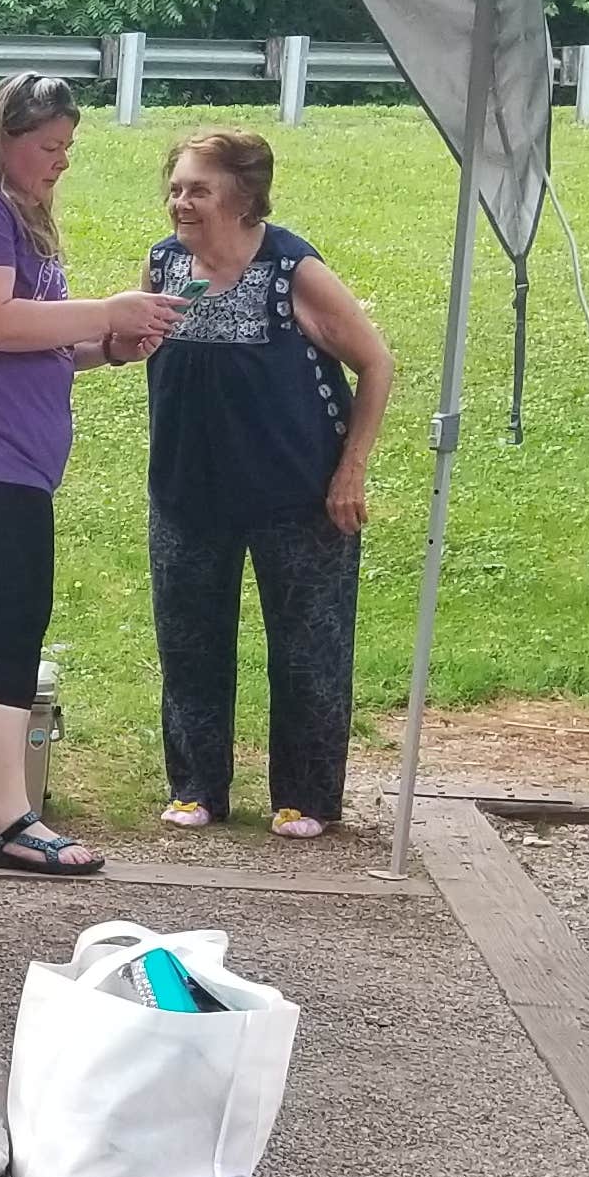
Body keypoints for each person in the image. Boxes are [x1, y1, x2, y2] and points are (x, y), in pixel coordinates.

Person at [0, 73, 187, 876]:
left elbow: (25, 341)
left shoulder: (3, 213)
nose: (59, 162)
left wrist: (107, 348)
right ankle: (7, 820)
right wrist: (107, 311)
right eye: (47, 146)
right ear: (4, 135)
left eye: (67, 149)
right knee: (9, 629)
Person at [139, 128, 396, 840]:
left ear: (245, 197)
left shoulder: (292, 269)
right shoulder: (166, 265)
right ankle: (197, 788)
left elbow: (376, 363)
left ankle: (306, 797)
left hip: (298, 498)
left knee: (309, 653)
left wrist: (351, 469)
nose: (181, 202)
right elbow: (136, 343)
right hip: (189, 494)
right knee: (189, 647)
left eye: (199, 189)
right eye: (176, 187)